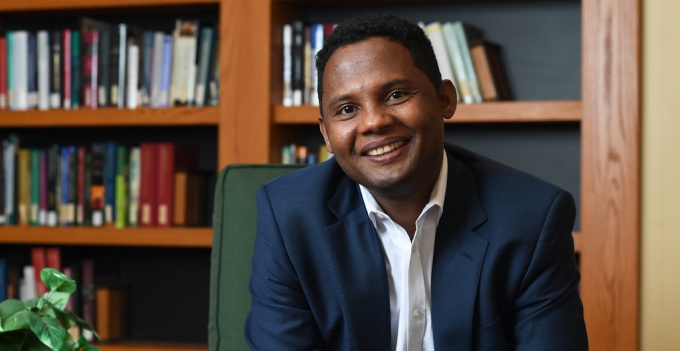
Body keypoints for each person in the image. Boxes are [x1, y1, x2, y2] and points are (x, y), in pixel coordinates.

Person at [245, 13, 588, 350]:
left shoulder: (531, 218)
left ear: (445, 100)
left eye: (395, 95)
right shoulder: (289, 217)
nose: (374, 123)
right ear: (327, 135)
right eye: (347, 109)